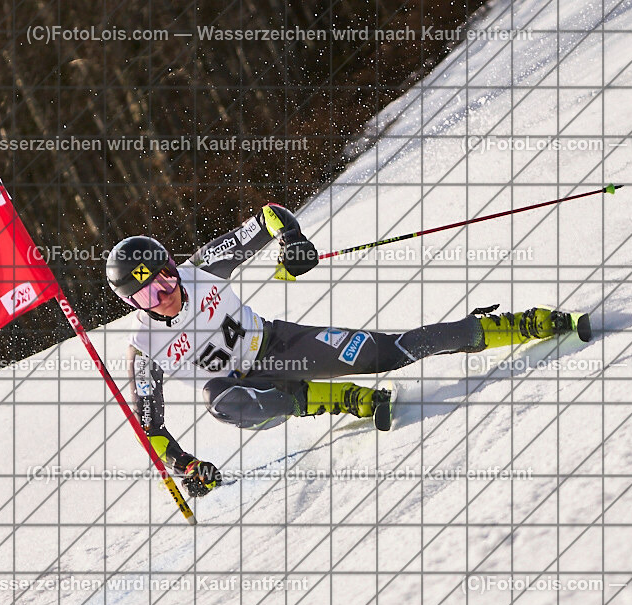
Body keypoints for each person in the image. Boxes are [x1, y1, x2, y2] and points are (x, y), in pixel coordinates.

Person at [107, 204, 589, 497]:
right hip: (247, 393)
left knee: (387, 352)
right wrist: (187, 466)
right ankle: (335, 400)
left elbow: (269, 216)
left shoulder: (204, 266)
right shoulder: (146, 349)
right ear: (133, 302)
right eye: (149, 294)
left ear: (172, 264)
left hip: (278, 343)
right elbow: (150, 430)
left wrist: (292, 241)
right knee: (222, 402)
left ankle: (504, 326)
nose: (166, 293)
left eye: (166, 277)